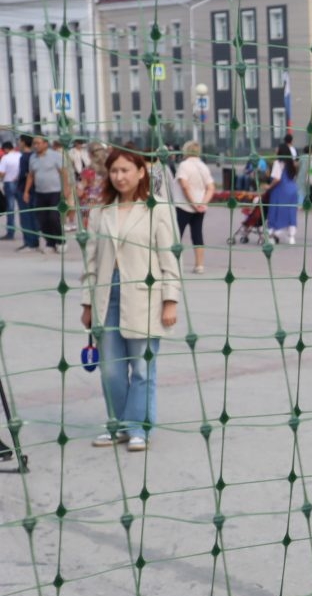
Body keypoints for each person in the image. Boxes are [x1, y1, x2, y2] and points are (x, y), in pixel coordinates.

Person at [80, 149, 181, 452]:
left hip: (145, 295)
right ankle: (120, 424)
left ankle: (139, 427)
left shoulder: (158, 208)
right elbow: (91, 262)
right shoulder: (100, 212)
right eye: (114, 171)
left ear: (141, 172)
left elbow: (169, 257)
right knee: (110, 368)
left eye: (126, 170)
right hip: (106, 294)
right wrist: (86, 304)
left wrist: (170, 299)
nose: (120, 176)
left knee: (141, 367)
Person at [22, 135, 68, 254]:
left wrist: (66, 189)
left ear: (45, 144)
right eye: (34, 143)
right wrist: (26, 192)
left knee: (53, 217)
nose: (35, 146)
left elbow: (63, 173)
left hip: (55, 192)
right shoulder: (33, 157)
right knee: (42, 220)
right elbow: (31, 176)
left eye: (38, 143)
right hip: (40, 192)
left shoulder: (55, 156)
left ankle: (61, 241)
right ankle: (50, 243)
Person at [175, 141, 215, 274]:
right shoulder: (203, 166)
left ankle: (174, 264)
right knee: (197, 234)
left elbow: (184, 186)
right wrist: (202, 203)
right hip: (200, 207)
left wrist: (192, 203)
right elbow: (211, 187)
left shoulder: (184, 165)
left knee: (176, 235)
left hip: (183, 206)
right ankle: (199, 265)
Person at [262, 144, 300, 245]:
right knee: (291, 212)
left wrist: (269, 187)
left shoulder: (277, 163)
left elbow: (277, 178)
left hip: (280, 190)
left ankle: (272, 234)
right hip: (292, 189)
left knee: (275, 211)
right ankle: (291, 237)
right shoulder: (292, 163)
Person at [0, 140, 19, 240]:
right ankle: (33, 231)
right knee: (25, 209)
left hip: (9, 184)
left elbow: (1, 173)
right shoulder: (20, 155)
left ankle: (10, 233)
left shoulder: (5, 158)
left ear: (6, 149)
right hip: (20, 184)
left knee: (10, 210)